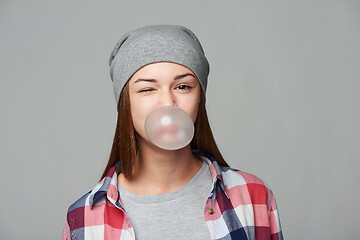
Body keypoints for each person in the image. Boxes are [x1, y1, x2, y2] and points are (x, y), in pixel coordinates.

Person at [62, 25, 283, 240]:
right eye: (147, 89)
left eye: (183, 86)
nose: (168, 103)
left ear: (199, 97)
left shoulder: (253, 196)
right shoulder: (84, 218)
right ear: (125, 104)